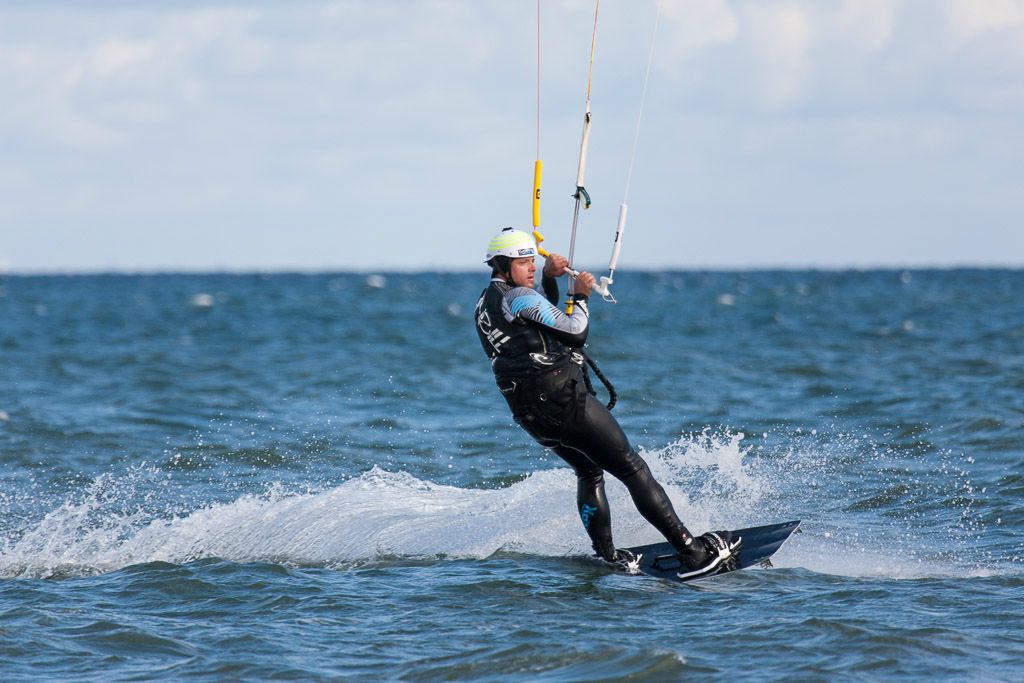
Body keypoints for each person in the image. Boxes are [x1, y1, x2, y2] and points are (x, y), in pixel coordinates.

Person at [474, 227, 740, 579]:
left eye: (532, 262)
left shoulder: (486, 302)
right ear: (505, 264)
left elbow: (537, 322)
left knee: (588, 470)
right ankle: (692, 553)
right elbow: (573, 331)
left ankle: (607, 556)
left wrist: (552, 280)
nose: (531, 268)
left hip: (530, 414)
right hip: (564, 401)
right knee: (633, 468)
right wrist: (581, 296)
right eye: (524, 262)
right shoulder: (520, 296)